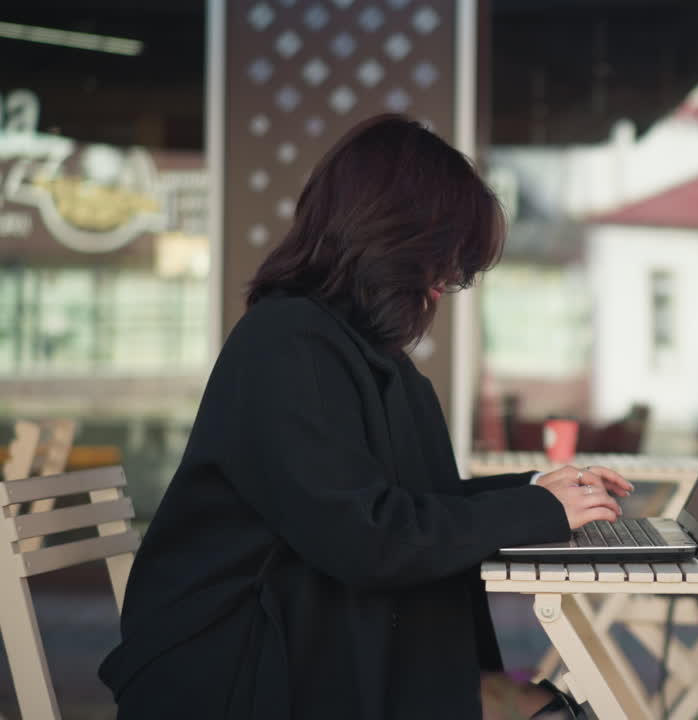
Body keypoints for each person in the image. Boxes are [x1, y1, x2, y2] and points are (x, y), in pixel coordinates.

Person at [99, 114, 633, 719]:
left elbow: (399, 503)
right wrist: (532, 512)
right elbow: (367, 536)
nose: (442, 283)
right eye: (444, 260)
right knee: (553, 712)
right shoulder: (288, 345)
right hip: (242, 671)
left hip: (311, 636)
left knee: (548, 707)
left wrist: (537, 491)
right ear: (390, 238)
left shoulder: (348, 350)